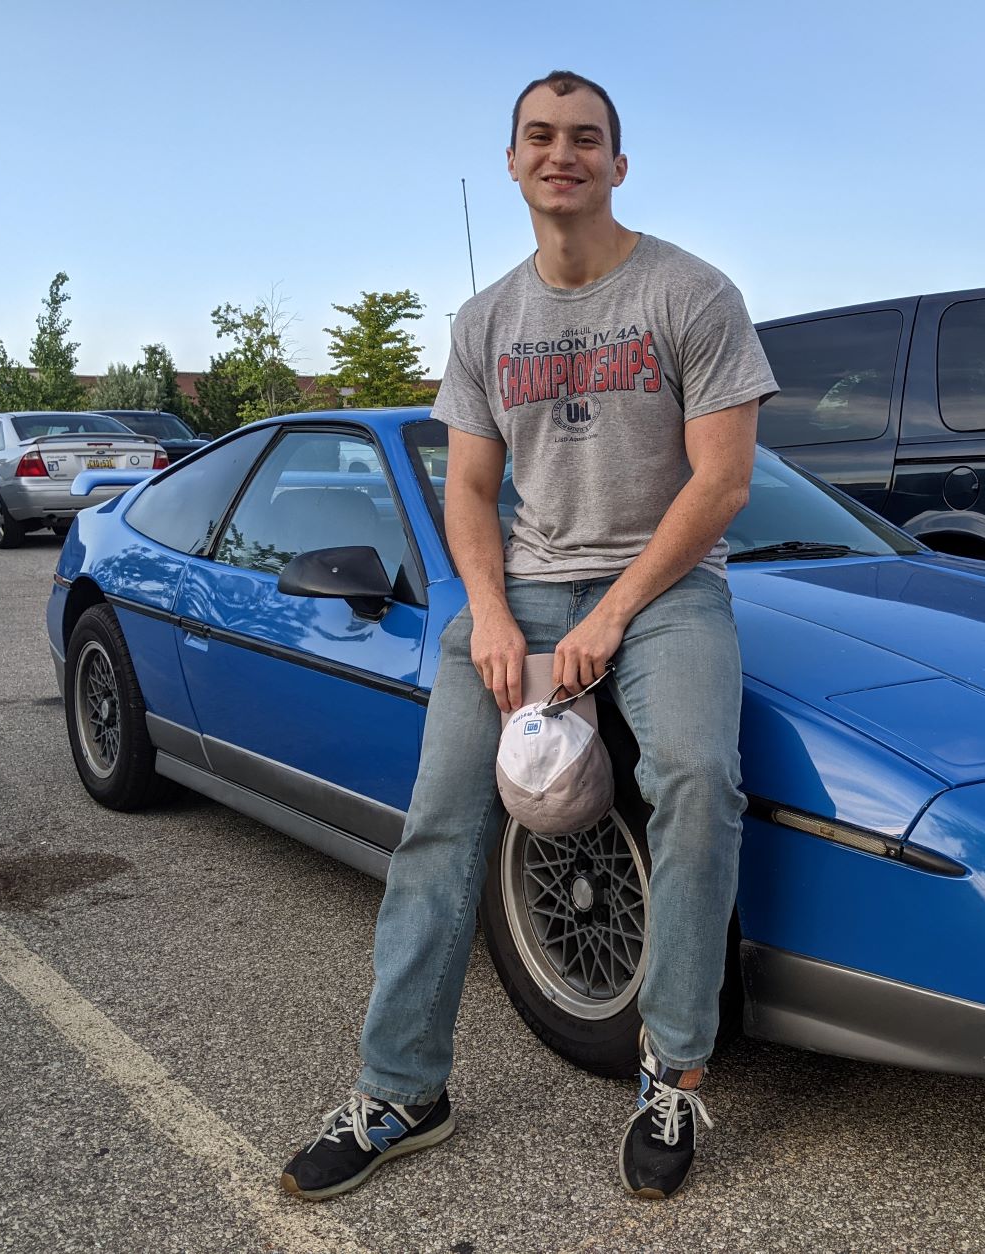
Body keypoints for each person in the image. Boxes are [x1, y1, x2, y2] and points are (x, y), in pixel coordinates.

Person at [281, 69, 776, 1203]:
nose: (564, 154)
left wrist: (610, 617)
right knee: (439, 826)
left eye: (586, 138)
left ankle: (671, 1068)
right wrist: (490, 612)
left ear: (618, 162)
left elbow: (723, 483)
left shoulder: (691, 293)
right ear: (512, 162)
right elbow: (466, 491)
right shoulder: (485, 320)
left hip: (668, 589)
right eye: (540, 137)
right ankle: (401, 1092)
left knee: (699, 778)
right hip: (527, 587)